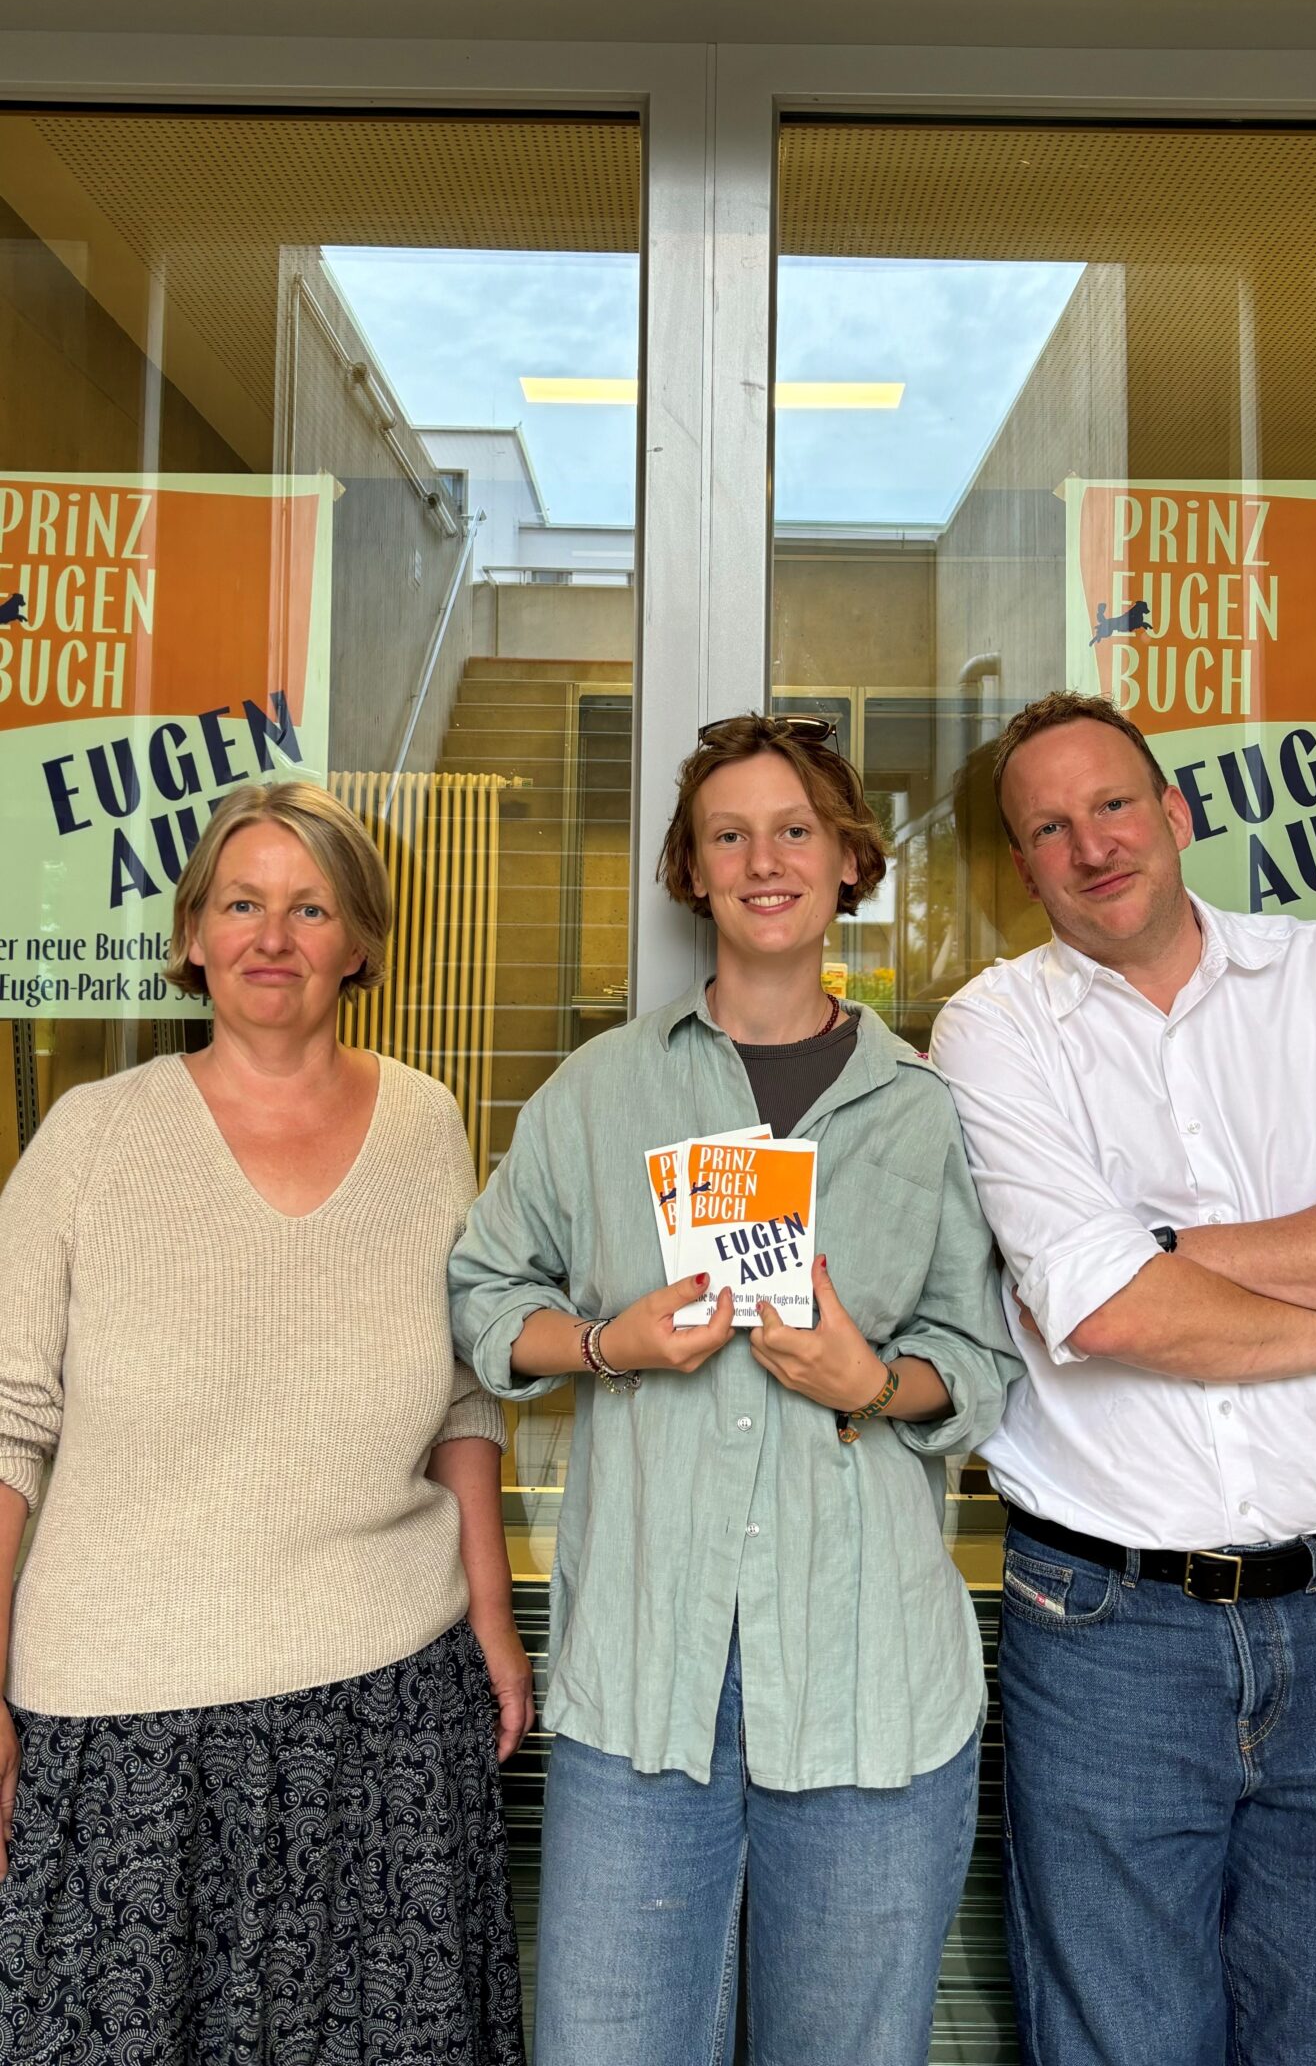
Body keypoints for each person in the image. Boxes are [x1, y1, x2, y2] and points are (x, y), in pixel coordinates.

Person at [448, 712, 1019, 2066]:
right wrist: (611, 1344)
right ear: (691, 872)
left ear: (849, 861)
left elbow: (984, 1366)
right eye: (729, 835)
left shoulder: (923, 1108)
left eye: (795, 831)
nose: (765, 861)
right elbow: (482, 1298)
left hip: (870, 1687)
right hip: (646, 1684)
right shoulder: (597, 1093)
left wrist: (872, 1381)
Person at [930, 689, 1316, 2066]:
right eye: (1050, 827)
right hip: (1110, 1629)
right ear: (1022, 866)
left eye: (1112, 805)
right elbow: (1102, 1310)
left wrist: (1162, 1248)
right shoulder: (995, 1030)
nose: (1091, 844)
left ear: (1174, 811)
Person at [0, 778, 532, 2066]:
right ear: (193, 934)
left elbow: (462, 1394)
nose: (274, 937)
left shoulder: (426, 1124)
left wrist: (492, 1616)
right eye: (242, 905)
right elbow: (8, 1426)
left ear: (360, 944)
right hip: (123, 1731)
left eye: (311, 908)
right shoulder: (90, 1138)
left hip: (387, 1714)